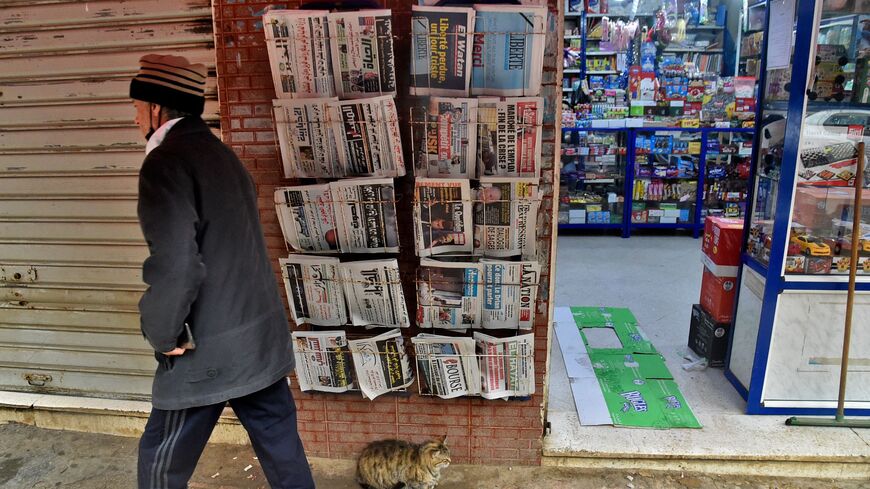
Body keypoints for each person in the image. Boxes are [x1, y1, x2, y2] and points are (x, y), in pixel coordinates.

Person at [130, 54, 315, 489]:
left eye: (136, 106)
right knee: (283, 453)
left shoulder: (165, 164)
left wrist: (163, 334)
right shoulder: (224, 156)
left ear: (156, 108)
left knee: (160, 459)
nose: (134, 116)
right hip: (260, 341)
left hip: (208, 349)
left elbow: (177, 264)